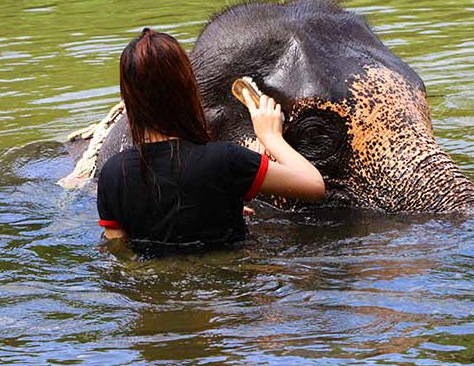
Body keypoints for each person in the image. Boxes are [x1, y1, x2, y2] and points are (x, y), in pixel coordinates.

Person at [96, 28, 325, 253]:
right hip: (236, 284)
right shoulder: (226, 159)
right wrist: (271, 137)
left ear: (128, 98)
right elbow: (314, 186)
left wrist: (218, 206)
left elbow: (119, 251)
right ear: (188, 88)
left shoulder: (113, 174)